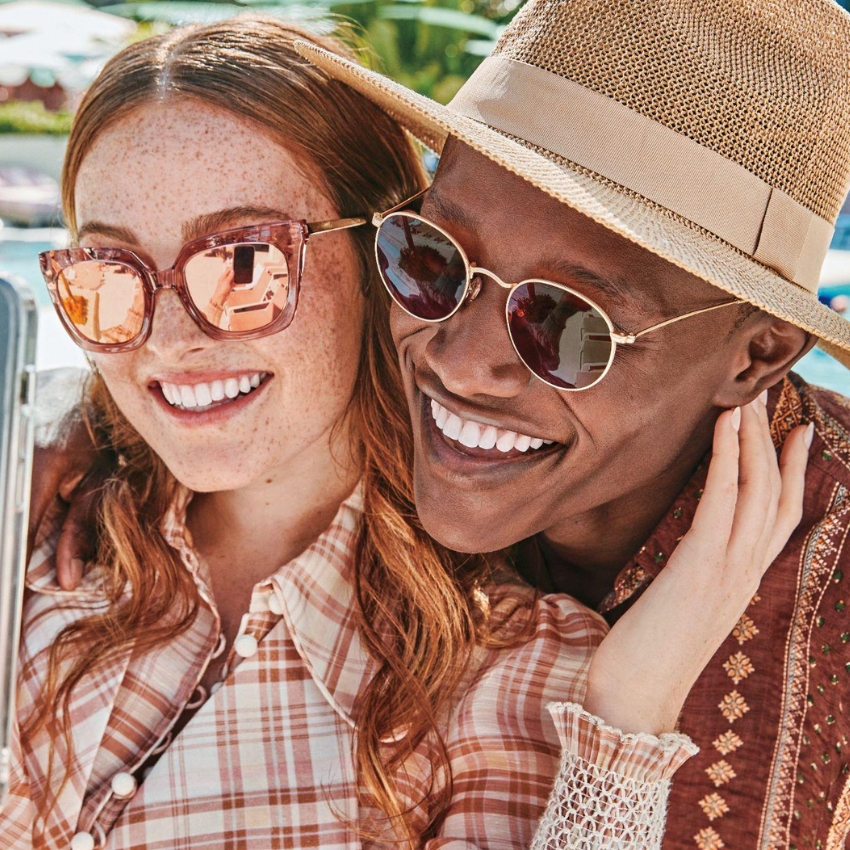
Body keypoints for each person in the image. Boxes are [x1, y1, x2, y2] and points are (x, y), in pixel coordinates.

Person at [6, 15, 811, 850]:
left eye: (246, 264)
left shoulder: (517, 679)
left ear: (376, 259)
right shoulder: (32, 538)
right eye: (108, 277)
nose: (168, 341)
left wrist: (624, 725)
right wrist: (50, 417)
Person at [291, 0, 850, 846]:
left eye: (567, 324)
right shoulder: (364, 379)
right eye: (433, 258)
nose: (460, 363)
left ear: (756, 356)